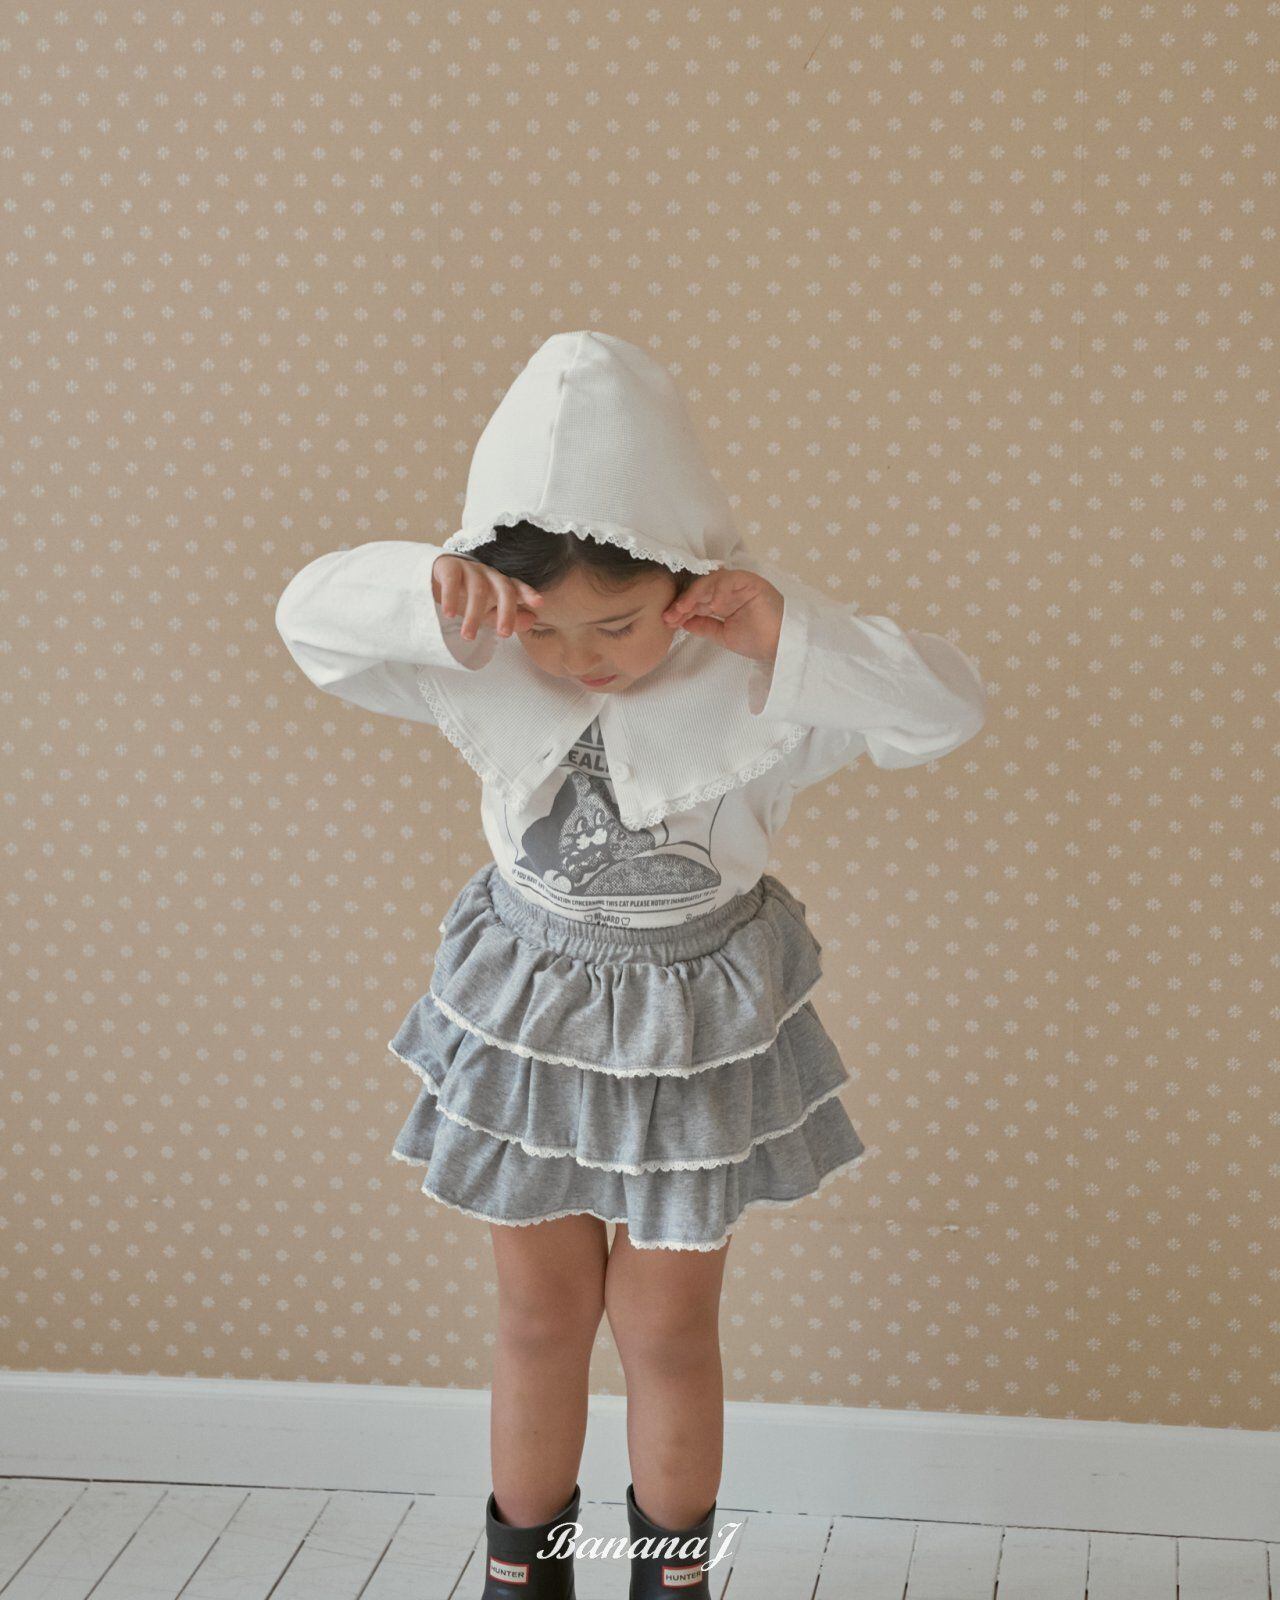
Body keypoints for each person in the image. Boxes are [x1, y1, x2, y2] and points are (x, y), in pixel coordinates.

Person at [273, 329, 987, 1599]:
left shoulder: (762, 684)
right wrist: (432, 588)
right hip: (531, 1016)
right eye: (548, 629)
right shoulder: (482, 660)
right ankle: (523, 1575)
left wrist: (791, 631)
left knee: (664, 1328)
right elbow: (309, 619)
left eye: (615, 621)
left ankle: (671, 1580)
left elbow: (944, 708)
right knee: (539, 1317)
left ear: (686, 580)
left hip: (694, 1026)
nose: (581, 657)